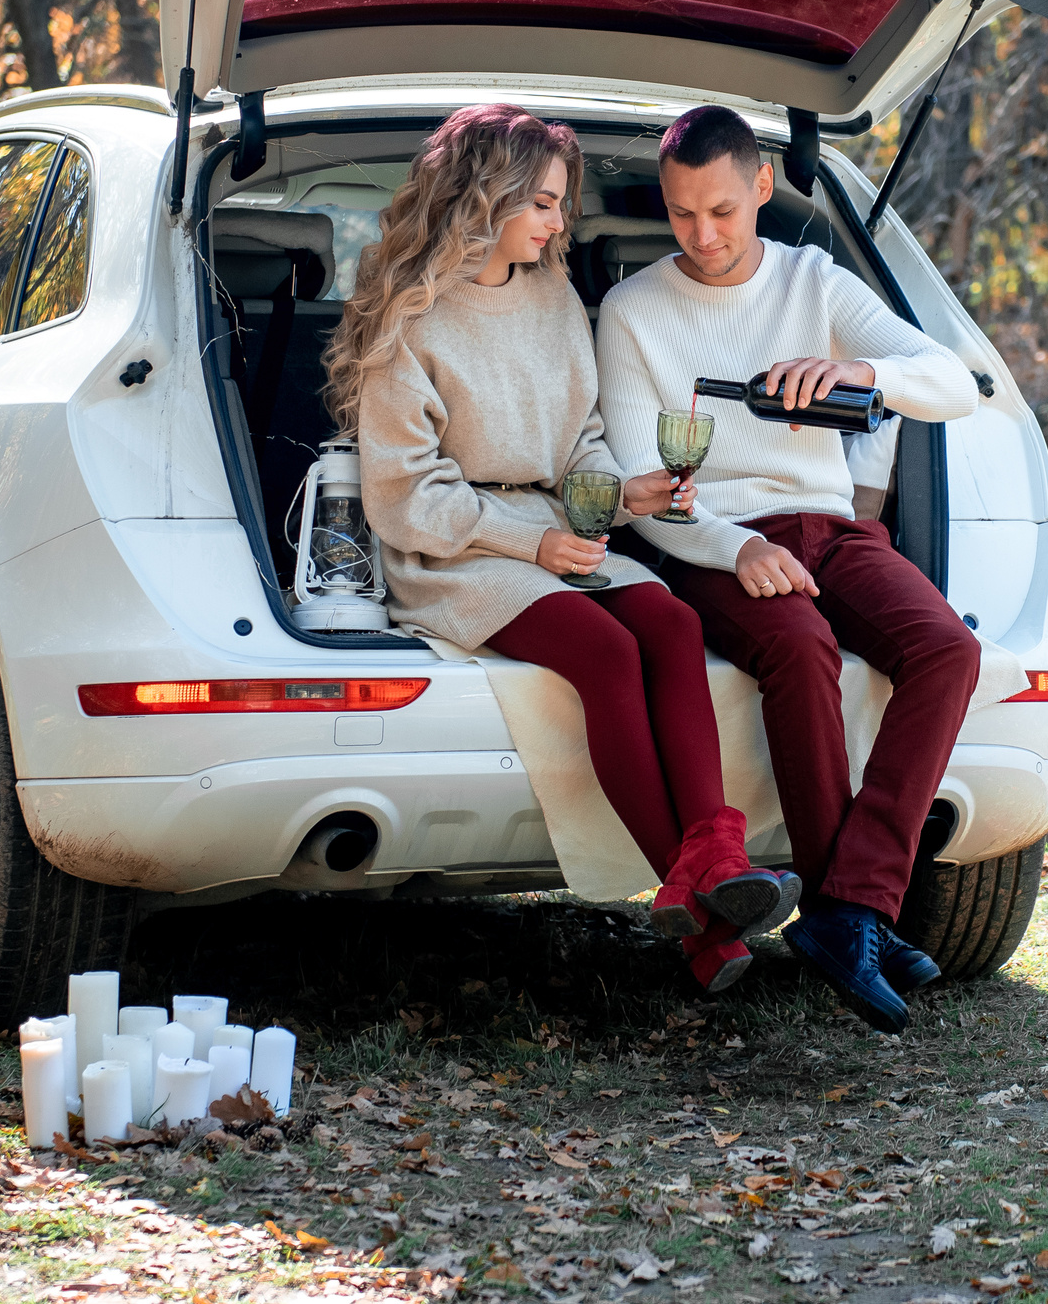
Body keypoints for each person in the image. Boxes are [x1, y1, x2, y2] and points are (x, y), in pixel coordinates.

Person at [326, 104, 799, 993]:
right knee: (607, 651)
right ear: (484, 193)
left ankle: (718, 855)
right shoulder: (410, 318)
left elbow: (580, 436)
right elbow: (406, 497)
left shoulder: (550, 291)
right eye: (542, 203)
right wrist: (533, 543)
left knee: (663, 616)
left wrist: (622, 494)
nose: (557, 223)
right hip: (457, 552)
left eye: (559, 204)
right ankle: (700, 910)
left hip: (557, 530)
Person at [593, 104, 982, 1033]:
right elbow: (631, 476)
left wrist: (863, 377)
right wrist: (738, 548)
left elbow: (956, 383)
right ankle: (851, 919)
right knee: (801, 648)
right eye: (684, 214)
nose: (705, 234)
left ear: (762, 185)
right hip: (711, 537)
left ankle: (850, 908)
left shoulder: (815, 279)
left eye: (723, 210)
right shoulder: (633, 311)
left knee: (946, 650)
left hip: (831, 526)